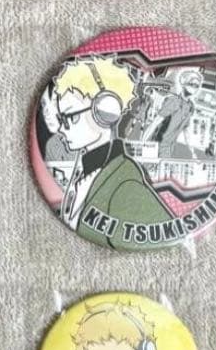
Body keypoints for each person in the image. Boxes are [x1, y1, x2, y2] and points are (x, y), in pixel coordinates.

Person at [51, 56, 171, 248]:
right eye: (60, 119)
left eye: (69, 118)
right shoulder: (85, 170)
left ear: (105, 112)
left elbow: (163, 234)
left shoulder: (127, 186)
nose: (60, 129)